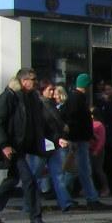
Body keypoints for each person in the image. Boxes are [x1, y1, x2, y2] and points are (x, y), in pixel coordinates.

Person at [0, 68, 48, 223]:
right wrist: (4, 145)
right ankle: (35, 217)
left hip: (23, 146)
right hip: (13, 147)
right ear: (23, 80)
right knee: (29, 180)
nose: (35, 82)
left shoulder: (32, 98)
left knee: (12, 180)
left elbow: (39, 122)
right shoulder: (9, 96)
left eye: (35, 79)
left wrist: (55, 138)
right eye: (32, 79)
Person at [62, 74, 103, 208]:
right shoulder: (78, 99)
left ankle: (65, 196)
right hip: (78, 139)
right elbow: (77, 120)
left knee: (74, 170)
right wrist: (86, 134)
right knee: (82, 169)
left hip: (78, 138)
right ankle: (91, 198)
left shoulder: (73, 98)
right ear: (86, 86)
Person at [35, 82, 77, 214]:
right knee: (35, 174)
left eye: (53, 90)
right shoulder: (39, 105)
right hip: (43, 144)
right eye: (50, 90)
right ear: (42, 91)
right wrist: (58, 136)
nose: (53, 92)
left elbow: (58, 125)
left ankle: (65, 202)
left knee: (58, 174)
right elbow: (45, 126)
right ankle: (30, 204)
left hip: (54, 144)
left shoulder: (51, 105)